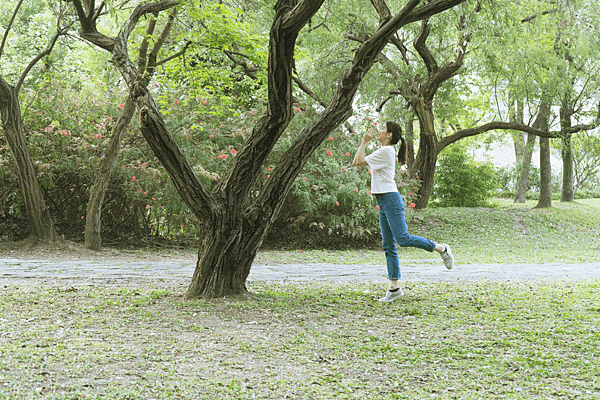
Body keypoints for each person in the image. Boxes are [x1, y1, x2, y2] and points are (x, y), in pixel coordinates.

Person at [352, 121, 454, 302]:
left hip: (390, 199)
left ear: (389, 134)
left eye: (383, 129)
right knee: (388, 245)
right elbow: (357, 162)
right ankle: (394, 289)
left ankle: (441, 248)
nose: (380, 131)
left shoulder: (386, 151)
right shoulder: (385, 152)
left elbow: (358, 161)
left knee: (403, 239)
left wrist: (364, 141)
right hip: (384, 200)